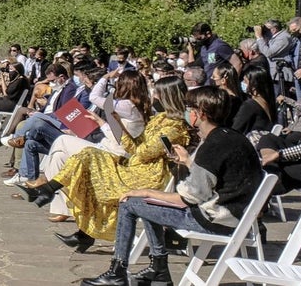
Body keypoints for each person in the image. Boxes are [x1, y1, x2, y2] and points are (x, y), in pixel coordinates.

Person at [78, 87, 263, 286]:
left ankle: (118, 271)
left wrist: (146, 191)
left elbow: (187, 198)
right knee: (147, 204)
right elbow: (218, 177)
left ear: (200, 113)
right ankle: (158, 269)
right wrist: (188, 162)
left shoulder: (212, 145)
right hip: (236, 214)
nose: (186, 112)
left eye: (189, 108)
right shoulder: (233, 137)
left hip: (215, 218)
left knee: (129, 203)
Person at [22, 76, 190, 253]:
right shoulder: (159, 118)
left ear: (167, 96)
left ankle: (60, 206)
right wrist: (117, 124)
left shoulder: (174, 127)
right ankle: (51, 194)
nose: (154, 95)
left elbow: (143, 153)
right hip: (134, 166)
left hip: (147, 174)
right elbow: (134, 147)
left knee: (93, 173)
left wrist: (115, 124)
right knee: (88, 154)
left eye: (158, 92)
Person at [232, 64, 275, 136]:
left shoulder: (250, 105)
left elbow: (235, 128)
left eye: (245, 81)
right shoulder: (268, 102)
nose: (242, 83)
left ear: (254, 85)